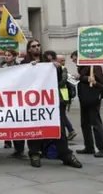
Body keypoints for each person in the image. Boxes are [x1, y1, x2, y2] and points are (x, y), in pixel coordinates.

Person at [25, 40, 82, 169]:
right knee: (34, 128)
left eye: (38, 45)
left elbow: (60, 80)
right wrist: (30, 68)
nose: (37, 48)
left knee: (59, 129)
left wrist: (56, 68)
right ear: (29, 49)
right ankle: (35, 154)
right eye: (33, 46)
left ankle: (66, 155)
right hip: (34, 103)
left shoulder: (48, 63)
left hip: (52, 101)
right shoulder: (25, 63)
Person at [71, 51, 103, 158]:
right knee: (85, 124)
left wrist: (81, 78)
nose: (73, 60)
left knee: (96, 124)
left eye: (74, 58)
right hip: (84, 99)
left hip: (92, 99)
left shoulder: (94, 66)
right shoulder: (82, 68)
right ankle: (89, 146)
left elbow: (101, 83)